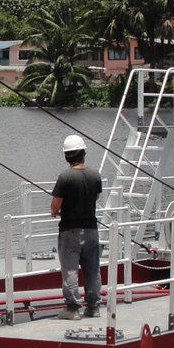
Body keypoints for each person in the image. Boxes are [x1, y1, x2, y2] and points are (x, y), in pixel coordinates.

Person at [50, 134, 103, 320]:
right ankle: (94, 306)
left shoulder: (65, 177)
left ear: (66, 156)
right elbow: (95, 197)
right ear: (83, 154)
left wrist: (55, 212)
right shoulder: (95, 174)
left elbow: (55, 206)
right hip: (91, 230)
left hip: (70, 230)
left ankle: (73, 309)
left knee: (70, 269)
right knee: (92, 268)